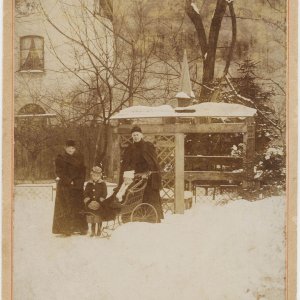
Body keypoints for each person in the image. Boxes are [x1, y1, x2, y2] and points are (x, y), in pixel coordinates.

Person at [119, 126, 164, 221]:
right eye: (134, 135)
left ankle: (152, 219)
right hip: (135, 177)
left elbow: (153, 161)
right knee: (132, 195)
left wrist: (148, 172)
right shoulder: (130, 148)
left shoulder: (148, 146)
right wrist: (129, 173)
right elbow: (127, 163)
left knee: (149, 197)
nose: (135, 137)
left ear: (141, 135)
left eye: (137, 135)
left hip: (148, 177)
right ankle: (133, 218)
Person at [52, 140, 88, 236]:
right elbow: (59, 172)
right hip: (65, 186)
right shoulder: (60, 158)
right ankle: (65, 229)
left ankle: (79, 228)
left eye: (73, 148)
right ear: (65, 148)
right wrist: (69, 181)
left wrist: (79, 183)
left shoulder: (80, 157)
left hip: (77, 186)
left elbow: (83, 172)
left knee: (77, 206)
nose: (71, 150)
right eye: (69, 148)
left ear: (75, 148)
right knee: (65, 207)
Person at [83, 166, 107, 237]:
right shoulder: (88, 184)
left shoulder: (103, 184)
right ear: (91, 175)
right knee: (92, 217)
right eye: (94, 176)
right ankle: (93, 231)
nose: (95, 177)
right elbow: (85, 193)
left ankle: (99, 230)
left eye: (97, 176)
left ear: (100, 176)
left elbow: (104, 193)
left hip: (99, 204)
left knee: (99, 217)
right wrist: (88, 202)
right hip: (90, 203)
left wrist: (100, 201)